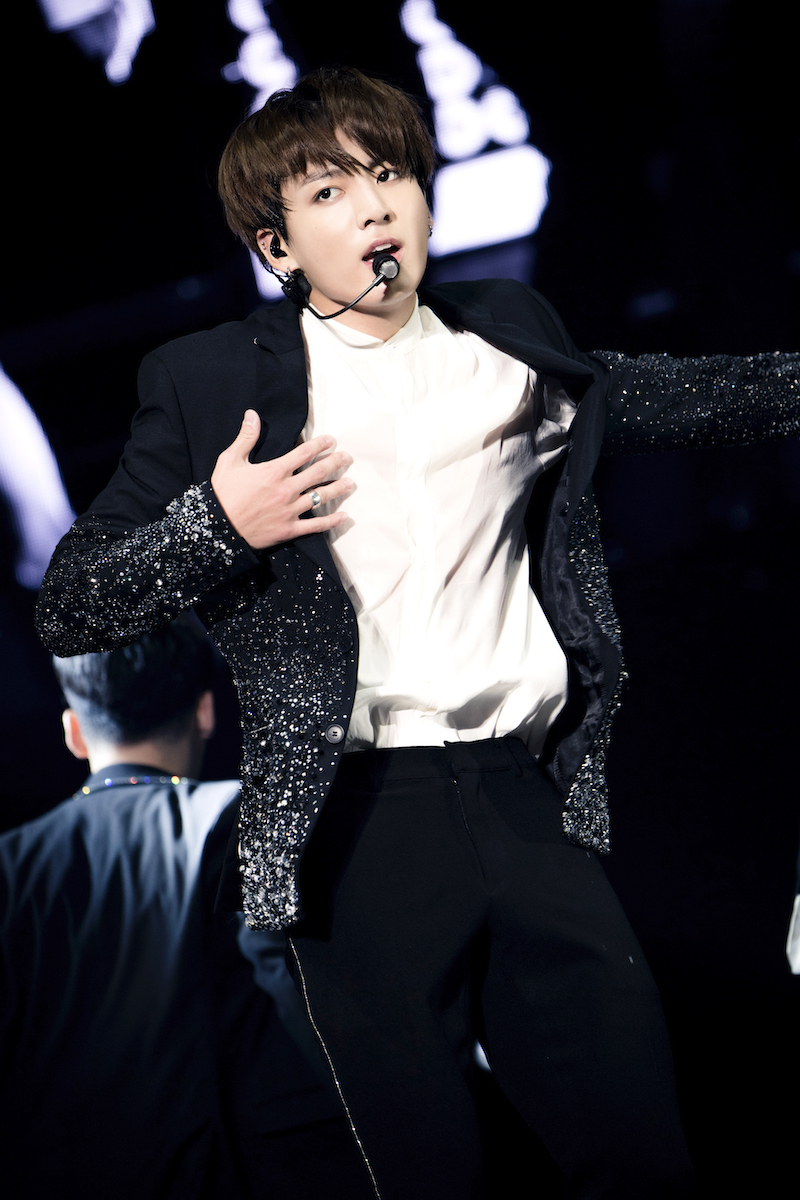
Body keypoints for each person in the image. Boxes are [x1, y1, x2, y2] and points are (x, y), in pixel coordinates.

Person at [34, 67, 800, 1199]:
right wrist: (219, 526)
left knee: (641, 1155)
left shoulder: (510, 340)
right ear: (277, 246)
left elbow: (674, 396)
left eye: (389, 173)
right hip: (351, 829)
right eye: (329, 192)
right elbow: (73, 601)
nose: (375, 207)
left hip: (521, 800)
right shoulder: (208, 381)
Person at [0, 616, 370, 1200]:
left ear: (74, 732)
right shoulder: (249, 819)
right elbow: (316, 1007)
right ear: (205, 711)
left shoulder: (11, 864)